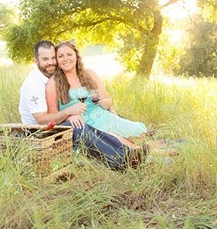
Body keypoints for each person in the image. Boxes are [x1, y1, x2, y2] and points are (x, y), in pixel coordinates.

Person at [19, 39, 146, 170]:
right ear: (36, 61)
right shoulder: (38, 84)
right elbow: (43, 120)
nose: (51, 62)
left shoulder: (86, 74)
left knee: (136, 133)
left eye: (53, 58)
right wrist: (69, 114)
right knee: (93, 132)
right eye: (47, 59)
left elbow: (106, 100)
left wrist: (106, 105)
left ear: (76, 56)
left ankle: (139, 151)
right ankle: (126, 158)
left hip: (95, 116)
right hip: (43, 132)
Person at [46, 40, 149, 138]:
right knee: (114, 141)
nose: (65, 59)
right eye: (60, 56)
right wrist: (68, 116)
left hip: (103, 116)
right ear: (57, 60)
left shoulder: (90, 74)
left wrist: (100, 101)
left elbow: (108, 102)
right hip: (82, 125)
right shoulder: (53, 83)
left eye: (69, 54)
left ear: (76, 56)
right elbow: (53, 118)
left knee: (137, 130)